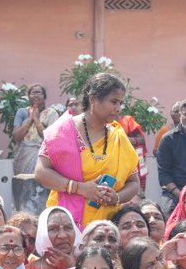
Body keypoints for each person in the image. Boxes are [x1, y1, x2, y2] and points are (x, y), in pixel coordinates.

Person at [34, 72, 141, 227]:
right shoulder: (62, 131)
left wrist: (116, 198)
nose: (118, 108)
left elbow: (134, 183)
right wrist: (80, 188)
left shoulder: (118, 136)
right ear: (93, 99)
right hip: (66, 225)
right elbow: (41, 172)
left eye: (120, 103)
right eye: (113, 102)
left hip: (106, 227)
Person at [9, 85, 57, 215]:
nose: (36, 95)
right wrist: (30, 119)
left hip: (43, 156)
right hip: (24, 155)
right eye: (33, 93)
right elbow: (17, 136)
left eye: (39, 93)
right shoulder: (22, 112)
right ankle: (22, 214)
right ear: (28, 96)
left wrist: (36, 120)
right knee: (23, 186)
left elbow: (50, 138)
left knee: (41, 187)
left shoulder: (51, 113)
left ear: (45, 96)